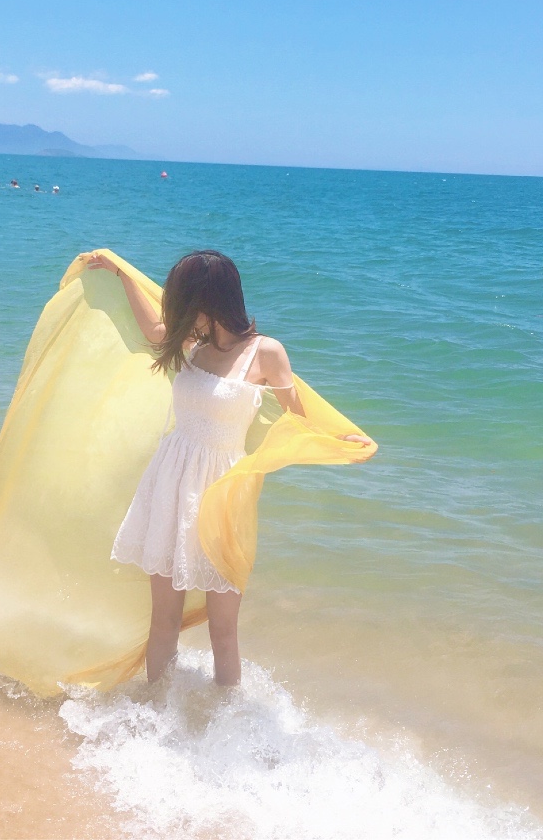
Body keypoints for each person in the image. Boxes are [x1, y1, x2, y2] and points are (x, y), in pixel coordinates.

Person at [87, 249, 372, 688]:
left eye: (183, 298)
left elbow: (295, 418)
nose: (177, 309)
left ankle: (225, 723)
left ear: (209, 298)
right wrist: (122, 272)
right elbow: (152, 330)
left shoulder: (265, 353)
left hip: (224, 493)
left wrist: (339, 441)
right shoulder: (194, 343)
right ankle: (156, 713)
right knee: (163, 622)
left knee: (223, 631)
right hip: (171, 481)